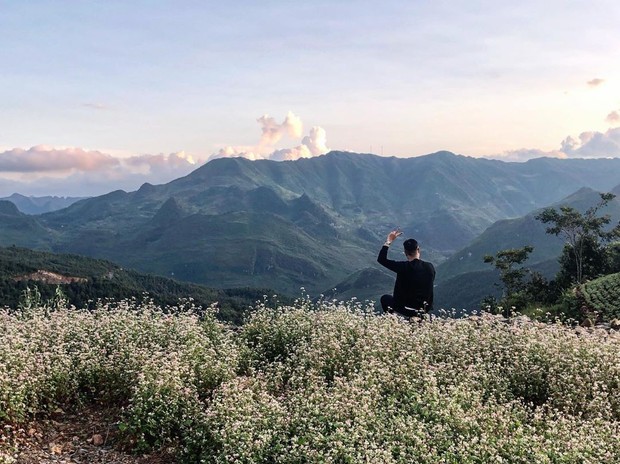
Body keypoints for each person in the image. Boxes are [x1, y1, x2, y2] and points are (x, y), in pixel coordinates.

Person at [377, 228, 435, 317]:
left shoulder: (403, 267)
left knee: (385, 299)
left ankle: (393, 321)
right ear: (418, 249)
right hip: (424, 309)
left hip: (406, 308)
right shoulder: (430, 267)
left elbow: (381, 259)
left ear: (405, 252)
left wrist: (388, 241)